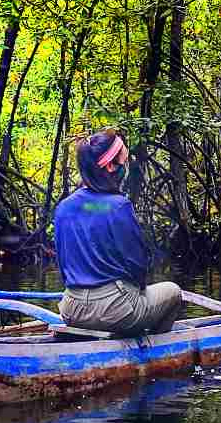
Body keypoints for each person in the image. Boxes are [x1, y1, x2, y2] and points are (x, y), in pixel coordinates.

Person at [53, 130, 182, 335]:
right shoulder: (118, 206)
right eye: (124, 159)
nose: (126, 166)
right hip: (115, 310)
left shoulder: (63, 207)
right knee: (173, 292)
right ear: (110, 165)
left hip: (71, 309)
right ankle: (153, 351)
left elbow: (63, 263)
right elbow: (137, 265)